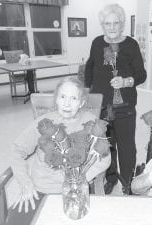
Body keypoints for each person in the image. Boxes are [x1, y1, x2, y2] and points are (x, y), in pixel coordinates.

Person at [7, 77, 111, 225]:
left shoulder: (90, 122)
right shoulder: (43, 123)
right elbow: (16, 151)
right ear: (56, 99)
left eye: (73, 98)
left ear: (81, 102)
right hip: (42, 190)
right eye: (63, 97)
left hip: (78, 193)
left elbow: (105, 156)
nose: (67, 103)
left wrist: (80, 179)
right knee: (16, 222)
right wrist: (25, 183)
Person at [85, 3, 147, 195]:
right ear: (102, 25)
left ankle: (128, 182)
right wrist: (87, 95)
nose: (111, 27)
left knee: (126, 147)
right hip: (102, 108)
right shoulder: (97, 43)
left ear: (122, 24)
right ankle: (110, 178)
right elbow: (90, 68)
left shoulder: (131, 45)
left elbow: (141, 74)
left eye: (116, 22)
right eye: (107, 23)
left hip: (124, 106)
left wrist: (127, 81)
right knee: (106, 145)